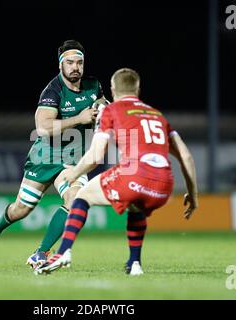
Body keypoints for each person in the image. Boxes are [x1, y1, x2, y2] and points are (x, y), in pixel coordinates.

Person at [36, 67, 199, 276]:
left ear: (112, 89)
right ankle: (134, 263)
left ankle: (63, 252)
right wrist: (193, 196)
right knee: (135, 207)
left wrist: (75, 173)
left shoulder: (111, 110)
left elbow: (96, 156)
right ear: (138, 89)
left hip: (134, 176)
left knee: (82, 196)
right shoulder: (157, 115)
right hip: (164, 185)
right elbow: (186, 157)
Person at [0, 40, 107, 269]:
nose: (75, 67)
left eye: (79, 62)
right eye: (70, 62)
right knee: (21, 209)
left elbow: (102, 102)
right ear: (60, 66)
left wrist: (105, 107)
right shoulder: (53, 90)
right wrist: (80, 118)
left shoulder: (93, 85)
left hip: (73, 160)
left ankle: (41, 253)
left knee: (75, 201)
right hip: (45, 157)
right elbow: (43, 127)